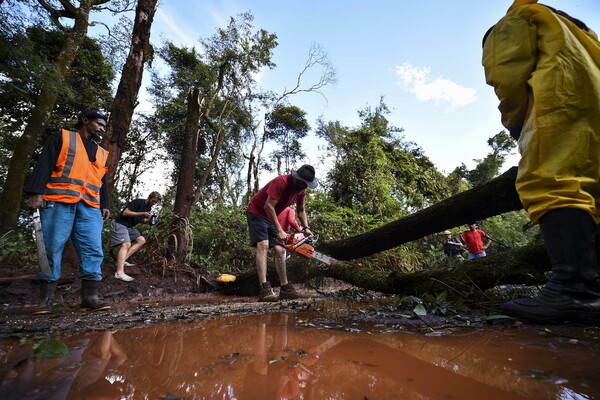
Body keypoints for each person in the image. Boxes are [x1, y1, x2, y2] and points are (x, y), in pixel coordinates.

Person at [482, 0, 600, 323]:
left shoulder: (513, 20)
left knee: (551, 180)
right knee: (592, 191)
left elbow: (507, 75)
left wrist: (516, 122)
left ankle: (573, 290)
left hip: (562, 97)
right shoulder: (572, 26)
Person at [25, 109, 111, 314]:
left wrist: (105, 204)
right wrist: (36, 192)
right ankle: (46, 301)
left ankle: (90, 298)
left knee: (93, 250)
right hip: (59, 201)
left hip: (90, 206)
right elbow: (44, 163)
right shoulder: (61, 137)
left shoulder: (100, 151)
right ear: (85, 120)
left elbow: (102, 181)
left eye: (104, 126)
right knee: (51, 248)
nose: (102, 128)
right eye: (99, 124)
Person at [246, 164, 318, 302]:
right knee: (264, 245)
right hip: (257, 212)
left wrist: (306, 228)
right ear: (296, 178)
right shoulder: (281, 182)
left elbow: (301, 210)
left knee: (280, 250)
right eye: (302, 183)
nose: (304, 186)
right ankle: (265, 289)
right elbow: (268, 206)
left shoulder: (302, 191)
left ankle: (285, 289)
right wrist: (279, 229)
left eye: (306, 185)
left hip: (271, 216)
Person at [109, 192, 161, 282]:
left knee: (141, 240)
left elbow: (141, 220)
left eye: (155, 202)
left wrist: (148, 220)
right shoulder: (138, 202)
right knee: (126, 244)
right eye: (153, 201)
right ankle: (119, 273)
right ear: (149, 197)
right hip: (120, 223)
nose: (154, 203)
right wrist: (142, 213)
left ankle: (122, 261)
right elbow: (125, 213)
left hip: (129, 227)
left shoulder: (148, 208)